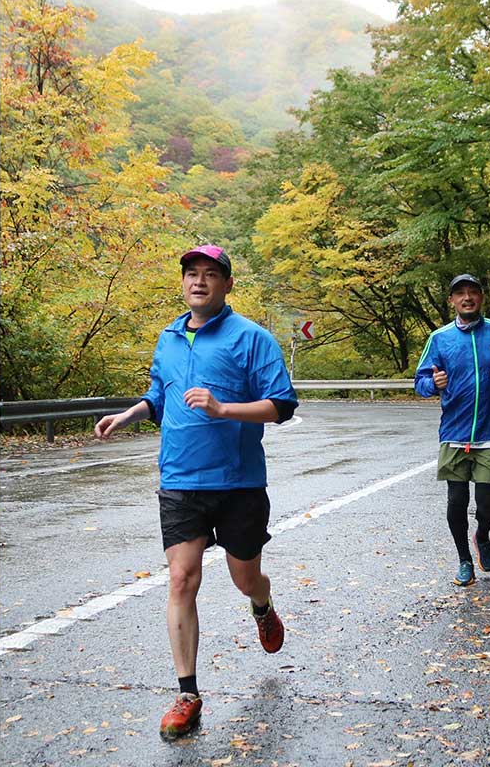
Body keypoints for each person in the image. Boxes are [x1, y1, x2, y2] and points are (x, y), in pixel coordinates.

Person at [93, 245, 297, 741]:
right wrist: (130, 414)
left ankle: (263, 604)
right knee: (182, 580)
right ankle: (188, 694)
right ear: (183, 283)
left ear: (226, 285)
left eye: (210, 275)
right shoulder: (167, 337)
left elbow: (282, 405)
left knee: (244, 577)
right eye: (192, 274)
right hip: (180, 480)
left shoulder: (253, 338)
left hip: (239, 483)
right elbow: (160, 393)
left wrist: (224, 409)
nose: (199, 282)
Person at [414, 274, 490, 587]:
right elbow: (420, 382)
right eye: (460, 293)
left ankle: (482, 535)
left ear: (481, 298)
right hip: (453, 432)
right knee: (456, 501)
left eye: (473, 293)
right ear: (452, 301)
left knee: (487, 503)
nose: (467, 298)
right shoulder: (439, 339)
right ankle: (464, 559)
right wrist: (431, 385)